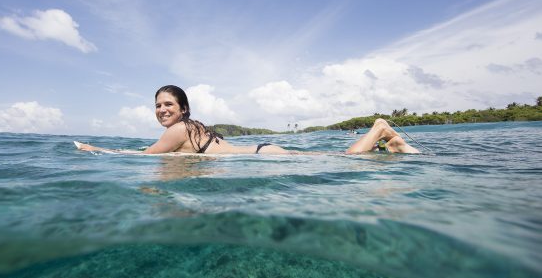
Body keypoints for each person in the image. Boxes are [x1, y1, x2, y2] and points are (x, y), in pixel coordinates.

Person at [75, 85, 419, 155]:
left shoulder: (179, 130)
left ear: (182, 109)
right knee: (332, 159)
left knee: (343, 162)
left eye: (168, 104)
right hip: (262, 152)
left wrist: (96, 149)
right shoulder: (190, 129)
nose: (162, 109)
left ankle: (379, 128)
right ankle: (394, 143)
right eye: (157, 105)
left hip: (262, 157)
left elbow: (143, 158)